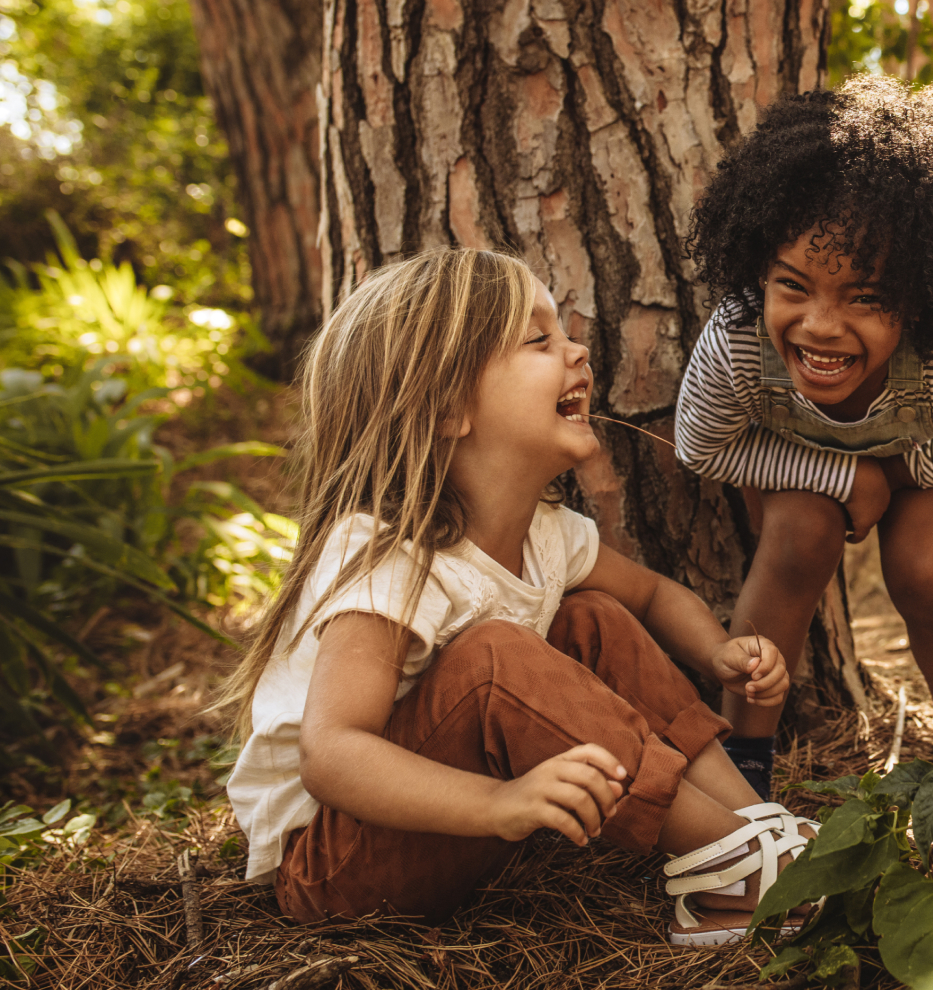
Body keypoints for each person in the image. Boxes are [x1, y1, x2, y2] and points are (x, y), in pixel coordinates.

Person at [220, 249, 817, 947]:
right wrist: (498, 803)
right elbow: (333, 753)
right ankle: (741, 869)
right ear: (447, 407)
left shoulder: (548, 534)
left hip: (446, 827)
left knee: (591, 617)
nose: (578, 351)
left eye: (563, 334)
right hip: (337, 865)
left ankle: (750, 826)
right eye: (539, 340)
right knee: (497, 655)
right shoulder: (388, 555)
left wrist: (715, 650)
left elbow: (652, 596)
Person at [674, 75, 933, 798]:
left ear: (921, 301)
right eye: (792, 285)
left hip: (916, 462)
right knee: (798, 537)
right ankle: (743, 778)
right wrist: (841, 477)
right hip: (795, 468)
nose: (821, 325)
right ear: (759, 270)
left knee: (925, 572)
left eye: (865, 298)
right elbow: (701, 447)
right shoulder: (737, 339)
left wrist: (913, 465)